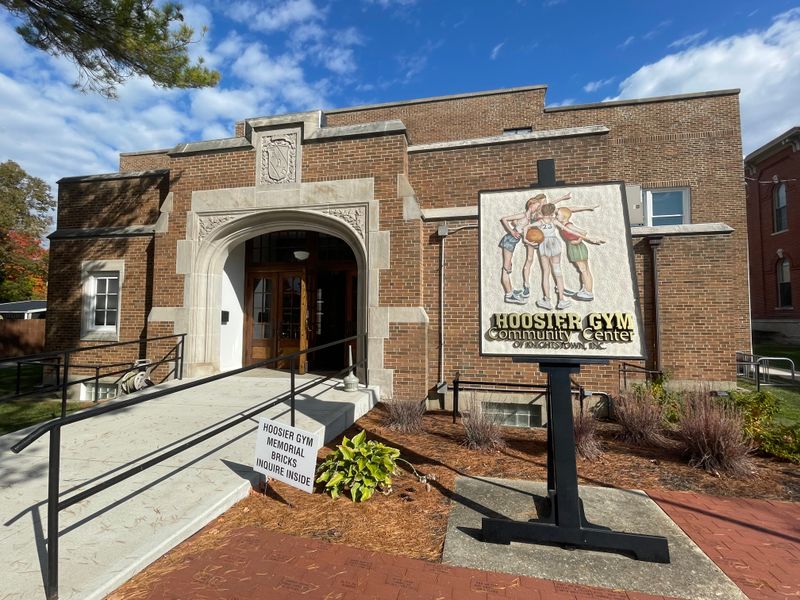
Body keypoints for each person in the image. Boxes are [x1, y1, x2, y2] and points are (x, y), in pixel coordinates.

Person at [498, 192, 571, 304]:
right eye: (540, 203)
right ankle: (521, 288)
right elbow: (512, 222)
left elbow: (551, 205)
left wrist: (563, 197)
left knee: (518, 264)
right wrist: (514, 231)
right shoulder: (530, 215)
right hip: (522, 238)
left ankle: (558, 288)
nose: (541, 205)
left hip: (531, 238)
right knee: (514, 264)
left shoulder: (538, 214)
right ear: (533, 205)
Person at [555, 206, 604, 300]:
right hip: (573, 247)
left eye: (558, 215)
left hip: (577, 247)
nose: (556, 216)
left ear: (564, 217)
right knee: (583, 270)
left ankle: (589, 292)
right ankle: (584, 288)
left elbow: (583, 232)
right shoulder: (563, 225)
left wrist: (578, 240)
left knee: (584, 270)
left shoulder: (568, 225)